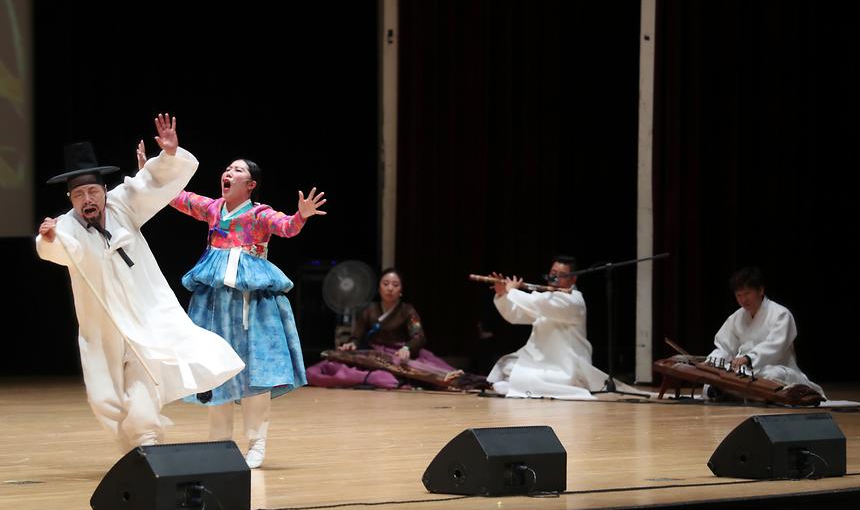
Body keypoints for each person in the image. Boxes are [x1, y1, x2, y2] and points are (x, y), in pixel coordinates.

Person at [35, 114, 245, 454]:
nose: (87, 199)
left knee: (144, 378)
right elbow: (58, 249)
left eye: (92, 191)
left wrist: (169, 155)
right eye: (78, 194)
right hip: (104, 326)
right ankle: (133, 447)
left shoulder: (121, 204)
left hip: (143, 316)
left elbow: (148, 182)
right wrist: (48, 238)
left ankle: (147, 443)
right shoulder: (67, 226)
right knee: (106, 398)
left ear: (103, 190)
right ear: (71, 198)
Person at [149, 145, 326, 468]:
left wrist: (301, 215)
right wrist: (157, 169)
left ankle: (256, 442)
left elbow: (285, 227)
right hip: (215, 302)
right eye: (227, 169)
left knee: (255, 373)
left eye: (237, 170)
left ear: (251, 185)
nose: (228, 173)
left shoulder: (258, 215)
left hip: (251, 304)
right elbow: (177, 198)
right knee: (217, 371)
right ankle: (219, 445)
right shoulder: (214, 209)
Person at [486, 255, 640, 400]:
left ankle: (519, 385)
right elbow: (516, 315)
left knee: (534, 377)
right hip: (541, 360)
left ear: (573, 278)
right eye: (553, 273)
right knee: (507, 365)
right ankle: (518, 383)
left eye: (561, 274)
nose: (555, 277)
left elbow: (536, 303)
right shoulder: (546, 298)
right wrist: (502, 295)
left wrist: (512, 290)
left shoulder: (573, 301)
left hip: (566, 365)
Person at [306, 268, 463, 389]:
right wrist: (351, 344)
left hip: (400, 353)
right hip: (376, 355)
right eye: (385, 284)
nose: (390, 288)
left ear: (401, 290)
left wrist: (407, 348)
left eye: (395, 285)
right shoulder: (369, 310)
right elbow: (356, 336)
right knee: (331, 366)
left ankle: (447, 380)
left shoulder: (407, 311)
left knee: (427, 370)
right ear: (379, 288)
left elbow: (418, 336)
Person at [706, 266, 824, 399]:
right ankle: (736, 393)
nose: (743, 300)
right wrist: (712, 362)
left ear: (761, 290)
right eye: (739, 295)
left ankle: (733, 393)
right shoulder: (736, 317)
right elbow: (724, 346)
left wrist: (748, 358)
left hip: (777, 369)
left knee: (770, 376)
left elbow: (774, 345)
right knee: (712, 378)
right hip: (744, 371)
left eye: (747, 294)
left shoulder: (781, 314)